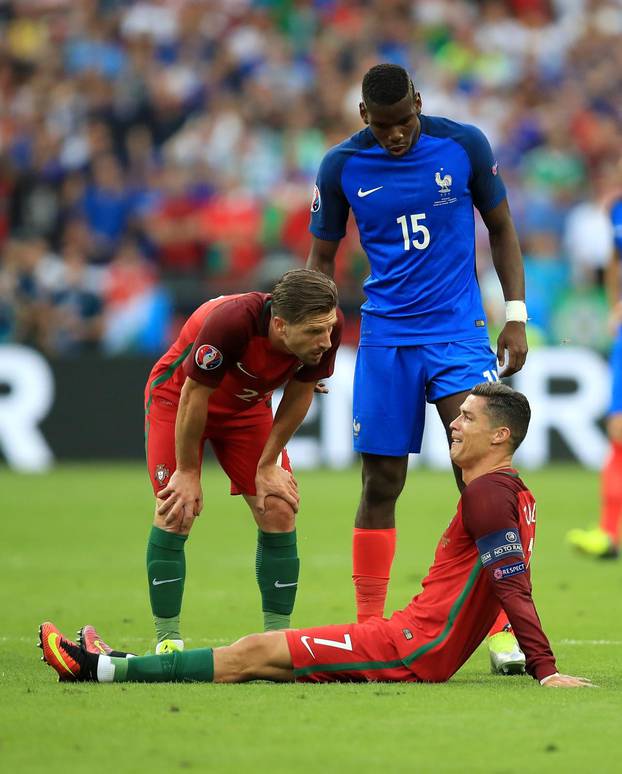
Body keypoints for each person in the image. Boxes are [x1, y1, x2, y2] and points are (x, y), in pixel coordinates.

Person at [39, 383, 591, 689]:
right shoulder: (512, 492)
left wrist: (546, 672)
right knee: (260, 659)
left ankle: (98, 669)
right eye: (459, 414)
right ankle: (122, 662)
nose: (454, 422)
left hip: (411, 648)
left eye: (468, 418)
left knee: (254, 653)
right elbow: (506, 584)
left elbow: (514, 588)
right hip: (413, 641)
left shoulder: (487, 496)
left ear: (500, 435)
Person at [306, 63, 528, 673]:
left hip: (458, 332)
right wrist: (317, 339)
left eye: (404, 122)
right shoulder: (342, 165)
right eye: (383, 126)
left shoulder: (463, 145)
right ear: (363, 118)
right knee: (381, 482)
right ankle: (368, 626)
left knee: (480, 476)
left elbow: (502, 228)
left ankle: (502, 628)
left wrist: (515, 314)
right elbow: (320, 259)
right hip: (385, 338)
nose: (396, 135)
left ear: (419, 105)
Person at [139, 268, 342, 653]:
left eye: (329, 329)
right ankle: (169, 641)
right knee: (176, 509)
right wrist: (187, 471)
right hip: (177, 400)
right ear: (280, 325)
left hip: (246, 408)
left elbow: (299, 396)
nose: (327, 340)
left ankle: (275, 639)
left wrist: (268, 465)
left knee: (279, 507)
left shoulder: (326, 323)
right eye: (316, 332)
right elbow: (193, 395)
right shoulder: (230, 323)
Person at [568, 197, 622, 559]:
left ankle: (609, 531)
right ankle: (608, 531)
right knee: (617, 429)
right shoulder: (616, 209)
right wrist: (615, 303)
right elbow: (615, 261)